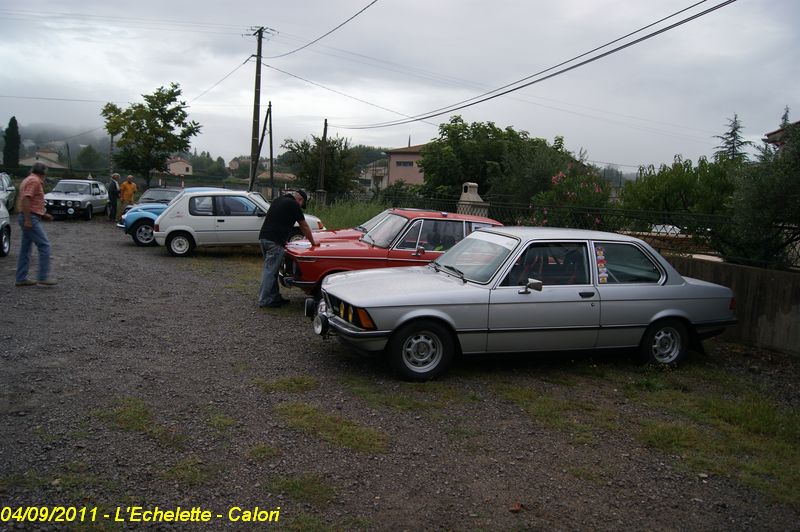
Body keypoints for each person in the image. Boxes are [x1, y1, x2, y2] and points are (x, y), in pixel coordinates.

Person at [258, 190, 317, 308]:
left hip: (264, 239)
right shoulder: (293, 204)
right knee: (270, 271)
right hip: (275, 242)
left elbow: (276, 220)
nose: (301, 206)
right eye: (302, 203)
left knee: (273, 271)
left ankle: (274, 297)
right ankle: (264, 300)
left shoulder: (278, 200)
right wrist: (313, 243)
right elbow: (303, 225)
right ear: (300, 200)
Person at [15, 162, 56, 286]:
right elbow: (26, 199)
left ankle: (21, 278)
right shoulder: (34, 181)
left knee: (25, 249)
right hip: (30, 217)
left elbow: (29, 200)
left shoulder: (28, 179)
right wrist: (28, 219)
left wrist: (43, 214)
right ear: (44, 172)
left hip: (29, 216)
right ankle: (42, 277)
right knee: (45, 245)